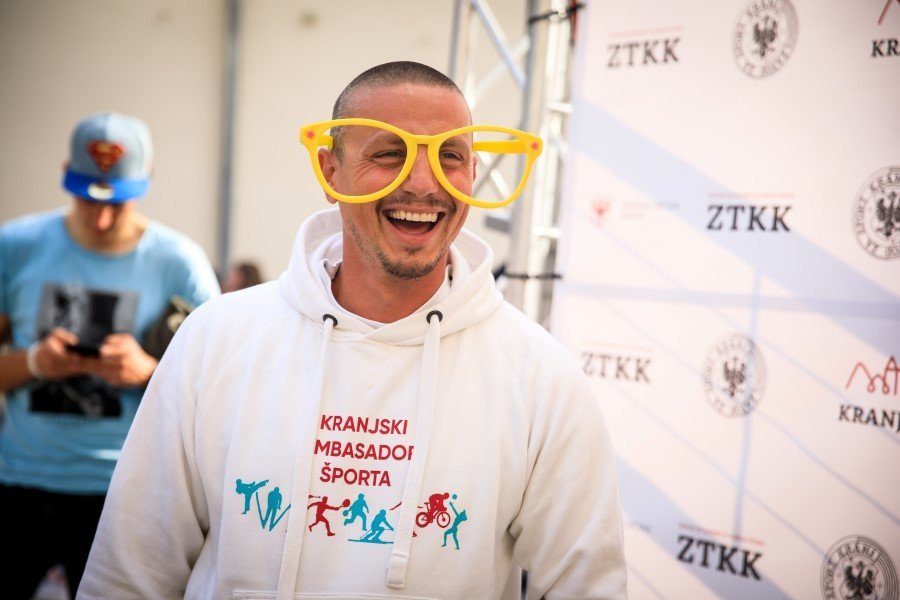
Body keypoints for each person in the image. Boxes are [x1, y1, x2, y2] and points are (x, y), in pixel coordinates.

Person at [79, 62, 626, 599]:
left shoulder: (538, 375)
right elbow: (129, 574)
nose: (423, 184)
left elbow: (587, 588)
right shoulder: (217, 340)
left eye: (450, 157)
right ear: (330, 172)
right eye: (389, 154)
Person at [0, 111, 220, 599]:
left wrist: (147, 372)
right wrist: (33, 363)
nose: (100, 219)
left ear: (147, 181)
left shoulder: (179, 262)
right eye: (87, 199)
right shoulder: (14, 247)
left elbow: (222, 384)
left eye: (116, 204)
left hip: (128, 491)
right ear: (65, 174)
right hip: (19, 484)